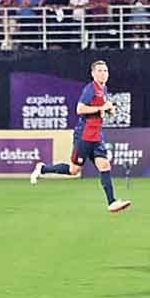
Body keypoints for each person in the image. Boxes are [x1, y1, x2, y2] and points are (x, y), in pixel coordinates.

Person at [29, 61, 131, 212]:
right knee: (74, 170)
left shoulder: (104, 89)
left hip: (96, 136)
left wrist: (109, 110)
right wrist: (101, 108)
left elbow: (101, 109)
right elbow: (80, 109)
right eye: (100, 71)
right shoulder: (90, 89)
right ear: (93, 73)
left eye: (105, 70)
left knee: (105, 165)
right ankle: (43, 168)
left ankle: (112, 202)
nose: (104, 73)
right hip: (84, 136)